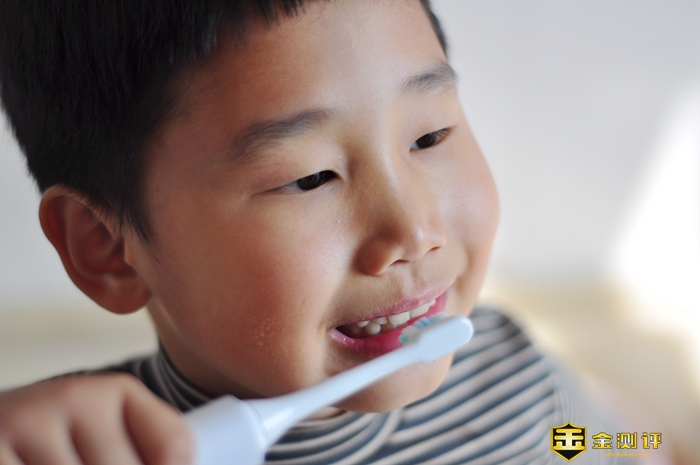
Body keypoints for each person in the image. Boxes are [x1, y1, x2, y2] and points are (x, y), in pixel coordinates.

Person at [0, 1, 633, 463]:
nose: (415, 231)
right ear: (108, 248)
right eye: (309, 179)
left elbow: (614, 444)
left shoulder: (517, 374)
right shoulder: (73, 450)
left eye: (429, 136)